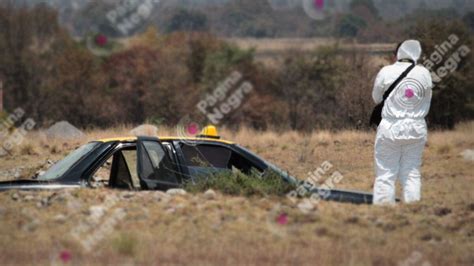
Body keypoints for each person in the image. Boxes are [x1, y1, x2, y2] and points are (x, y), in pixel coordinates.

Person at [372, 40, 433, 204]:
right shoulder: (424, 73)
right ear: (416, 55)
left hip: (390, 127)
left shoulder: (386, 71)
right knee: (412, 171)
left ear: (397, 55)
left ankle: (384, 211)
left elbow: (376, 98)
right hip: (417, 127)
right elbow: (427, 100)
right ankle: (413, 208)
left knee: (386, 173)